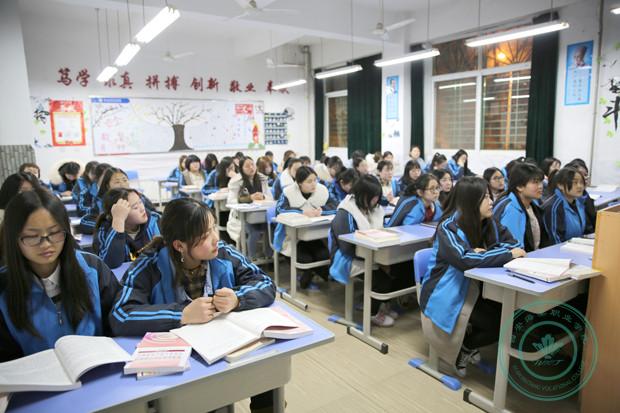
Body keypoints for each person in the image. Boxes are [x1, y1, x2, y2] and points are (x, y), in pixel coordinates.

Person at [109, 198, 276, 412]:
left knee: (267, 372)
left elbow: (265, 283)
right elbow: (121, 314)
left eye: (214, 227)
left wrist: (238, 298)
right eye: (205, 236)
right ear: (179, 245)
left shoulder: (223, 253)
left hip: (223, 351)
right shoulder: (149, 265)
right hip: (180, 367)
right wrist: (181, 315)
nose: (216, 239)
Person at [420, 177, 524, 377]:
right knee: (496, 325)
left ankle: (466, 345)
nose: (491, 201)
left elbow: (514, 244)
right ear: (470, 201)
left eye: (490, 196)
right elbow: (465, 259)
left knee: (506, 318)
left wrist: (485, 253)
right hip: (445, 290)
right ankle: (464, 348)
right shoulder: (448, 226)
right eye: (485, 197)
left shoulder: (489, 222)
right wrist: (503, 254)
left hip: (474, 287)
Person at [0, 188, 120, 360]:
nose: (46, 244)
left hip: (96, 369)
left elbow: (117, 324)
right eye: (32, 236)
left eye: (55, 232)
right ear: (14, 238)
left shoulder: (92, 268)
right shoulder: (4, 288)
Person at [329, 175, 399, 327]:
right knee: (382, 280)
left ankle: (380, 306)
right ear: (362, 195)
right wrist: (377, 261)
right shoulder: (345, 213)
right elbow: (347, 247)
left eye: (377, 196)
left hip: (371, 253)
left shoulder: (372, 207)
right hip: (346, 258)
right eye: (373, 197)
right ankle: (372, 314)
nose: (376, 200)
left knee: (398, 270)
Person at [274, 166, 337, 288]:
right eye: (309, 181)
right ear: (299, 183)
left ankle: (318, 274)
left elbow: (335, 205)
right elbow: (279, 210)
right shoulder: (288, 192)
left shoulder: (322, 190)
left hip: (314, 236)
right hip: (291, 238)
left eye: (315, 180)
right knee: (305, 259)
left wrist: (322, 211)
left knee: (324, 256)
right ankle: (307, 275)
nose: (314, 184)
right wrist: (301, 212)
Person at [93, 188, 161, 269]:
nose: (142, 208)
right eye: (135, 207)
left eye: (140, 202)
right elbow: (110, 264)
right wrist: (118, 220)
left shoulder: (155, 220)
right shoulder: (105, 229)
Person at [493, 162, 549, 251]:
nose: (540, 186)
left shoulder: (531, 205)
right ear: (519, 186)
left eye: (541, 182)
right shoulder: (511, 209)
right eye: (535, 182)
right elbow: (513, 249)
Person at [226, 157, 273, 260]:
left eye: (252, 164)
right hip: (242, 217)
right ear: (241, 168)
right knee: (254, 231)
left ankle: (269, 256)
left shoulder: (262, 179)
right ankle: (251, 257)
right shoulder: (236, 181)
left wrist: (263, 196)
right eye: (247, 166)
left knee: (270, 228)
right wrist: (249, 198)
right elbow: (231, 201)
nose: (251, 168)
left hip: (261, 214)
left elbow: (270, 197)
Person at [542, 167, 587, 244]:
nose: (579, 186)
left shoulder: (578, 202)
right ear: (560, 185)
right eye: (575, 183)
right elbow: (556, 241)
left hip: (575, 246)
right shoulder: (553, 207)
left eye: (581, 182)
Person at [565, 159, 596, 233]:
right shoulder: (569, 200)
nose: (585, 179)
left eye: (586, 175)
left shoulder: (585, 194)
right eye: (581, 175)